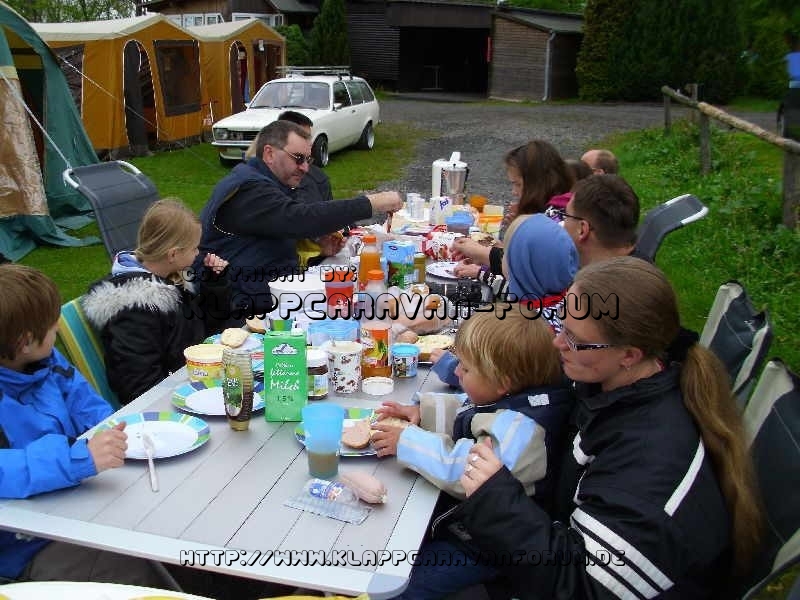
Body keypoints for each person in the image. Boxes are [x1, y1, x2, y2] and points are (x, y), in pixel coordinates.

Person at [451, 257, 763, 599]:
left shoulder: (650, 464)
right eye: (562, 326)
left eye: (574, 339)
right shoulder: (609, 383)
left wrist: (496, 499)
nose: (557, 344)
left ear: (629, 355)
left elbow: (580, 588)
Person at [372, 310, 572, 598]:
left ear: (502, 381)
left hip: (485, 545)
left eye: (465, 369)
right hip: (469, 526)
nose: (456, 372)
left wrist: (408, 442)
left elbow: (466, 470)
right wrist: (421, 412)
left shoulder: (519, 429)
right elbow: (468, 410)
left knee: (400, 587)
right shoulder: (510, 397)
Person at [0, 264, 174, 588]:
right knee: (133, 571)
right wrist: (75, 459)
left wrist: (112, 431)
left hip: (78, 502)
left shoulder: (46, 361)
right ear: (25, 342)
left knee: (167, 521)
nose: (56, 331)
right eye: (53, 326)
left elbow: (84, 401)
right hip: (26, 545)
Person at [197, 119, 402, 315]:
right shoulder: (250, 190)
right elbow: (301, 219)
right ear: (269, 154)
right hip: (236, 307)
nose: (305, 167)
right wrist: (371, 202)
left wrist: (318, 252)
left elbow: (271, 241)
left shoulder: (268, 183)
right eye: (298, 158)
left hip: (262, 296)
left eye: (308, 159)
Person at [83, 199, 230, 404]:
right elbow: (138, 385)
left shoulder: (171, 280)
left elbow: (202, 330)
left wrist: (215, 284)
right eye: (194, 248)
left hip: (193, 380)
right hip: (167, 404)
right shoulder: (135, 309)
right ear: (173, 254)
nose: (198, 253)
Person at [431, 213, 578, 387]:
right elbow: (508, 289)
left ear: (521, 267)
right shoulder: (557, 301)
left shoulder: (524, 328)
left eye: (506, 254)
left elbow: (493, 382)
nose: (499, 258)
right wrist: (480, 273)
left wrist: (451, 369)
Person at [452, 140, 573, 280]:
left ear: (537, 183)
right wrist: (497, 249)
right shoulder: (555, 209)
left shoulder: (557, 219)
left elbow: (526, 276)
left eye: (517, 184)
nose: (514, 192)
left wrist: (480, 256)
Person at [275, 110, 347, 267]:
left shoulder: (318, 178)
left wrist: (323, 246)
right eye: (303, 138)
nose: (310, 143)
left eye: (310, 138)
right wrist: (369, 204)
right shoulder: (265, 187)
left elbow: (331, 218)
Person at [558, 174, 641, 266]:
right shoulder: (647, 270)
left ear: (582, 229)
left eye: (566, 215)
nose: (563, 223)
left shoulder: (588, 279)